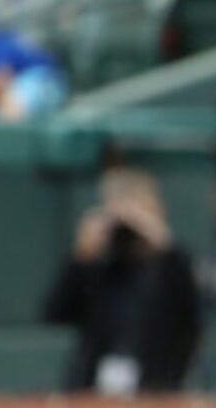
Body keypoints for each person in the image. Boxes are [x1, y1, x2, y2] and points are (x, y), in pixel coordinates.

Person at [41, 166, 203, 395]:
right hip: (94, 387)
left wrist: (157, 238)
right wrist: (80, 257)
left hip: (157, 388)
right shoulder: (99, 267)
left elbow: (196, 313)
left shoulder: (172, 265)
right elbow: (54, 314)